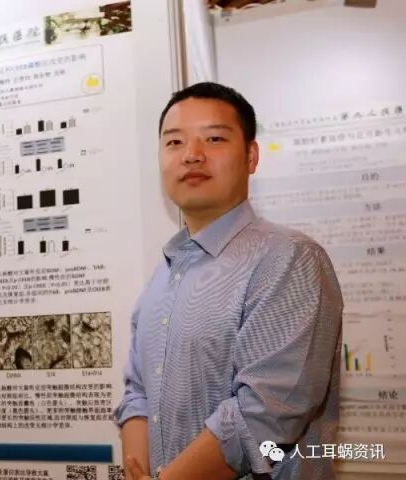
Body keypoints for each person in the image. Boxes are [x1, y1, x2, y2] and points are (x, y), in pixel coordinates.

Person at [113, 82, 343, 480]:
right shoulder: (166, 272)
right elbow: (137, 393)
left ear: (251, 156)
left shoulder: (289, 258)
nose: (191, 154)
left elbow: (262, 413)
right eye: (174, 142)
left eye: (214, 138)